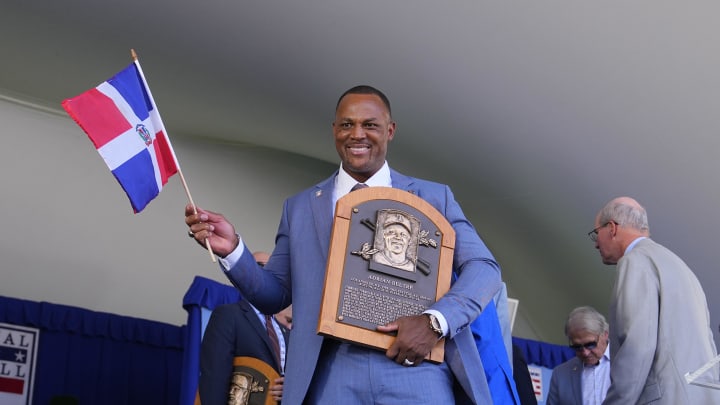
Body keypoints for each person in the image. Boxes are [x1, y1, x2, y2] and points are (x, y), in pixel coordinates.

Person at [186, 85, 503, 404]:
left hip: (416, 366)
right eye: (347, 124)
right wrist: (234, 251)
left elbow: (485, 268)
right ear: (334, 129)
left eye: (370, 125)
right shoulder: (300, 207)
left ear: (390, 130)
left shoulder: (435, 198)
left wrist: (435, 322)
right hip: (332, 372)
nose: (357, 134)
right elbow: (276, 294)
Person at [589, 196, 720, 404]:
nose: (596, 244)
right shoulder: (683, 269)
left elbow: (637, 347)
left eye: (596, 233)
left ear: (612, 228)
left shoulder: (635, 262)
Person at [199, 251, 291, 405]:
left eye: (273, 269)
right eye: (259, 266)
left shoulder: (285, 330)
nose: (266, 272)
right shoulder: (228, 315)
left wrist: (291, 387)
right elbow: (214, 377)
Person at [547, 306, 610, 405]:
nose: (585, 352)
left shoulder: (628, 363)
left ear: (605, 335)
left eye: (590, 344)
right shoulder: (560, 374)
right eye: (577, 346)